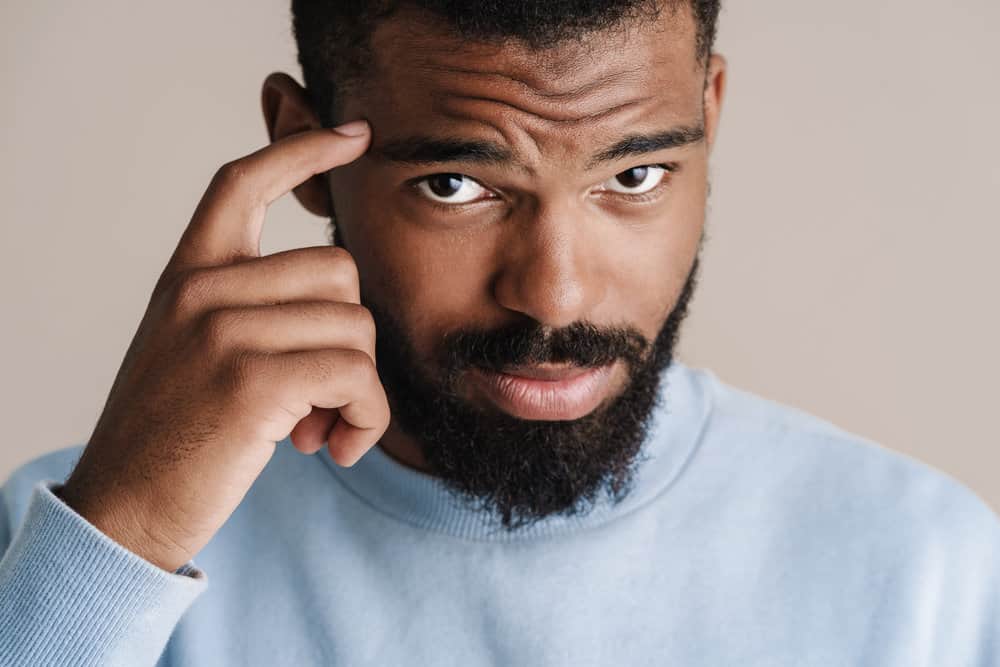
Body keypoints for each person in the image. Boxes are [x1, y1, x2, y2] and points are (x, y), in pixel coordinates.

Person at [1, 1, 998, 664]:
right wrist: (113, 547)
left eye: (633, 175)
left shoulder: (925, 573)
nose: (553, 296)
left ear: (709, 112)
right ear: (301, 148)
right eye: (457, 185)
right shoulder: (81, 543)